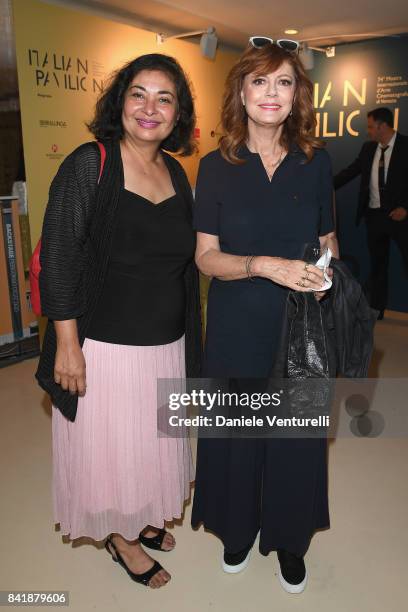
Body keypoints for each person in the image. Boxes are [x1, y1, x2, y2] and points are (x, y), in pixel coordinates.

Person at [35, 53, 202, 589]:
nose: (149, 108)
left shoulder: (175, 170)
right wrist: (66, 344)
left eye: (165, 98)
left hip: (166, 341)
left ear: (178, 115)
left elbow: (184, 259)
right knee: (115, 447)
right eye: (138, 94)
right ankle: (121, 538)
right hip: (105, 346)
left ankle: (140, 515)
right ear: (120, 101)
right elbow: (60, 254)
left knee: (151, 443)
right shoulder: (92, 162)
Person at [191, 38, 339, 594]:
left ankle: (290, 539)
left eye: (284, 82)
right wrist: (264, 266)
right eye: (260, 81)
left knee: (295, 437)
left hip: (301, 327)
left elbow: (328, 241)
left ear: (297, 93)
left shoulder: (315, 161)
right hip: (235, 322)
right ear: (242, 93)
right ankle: (236, 529)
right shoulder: (215, 166)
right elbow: (206, 256)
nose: (272, 93)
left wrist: (325, 277)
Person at [334, 107, 408, 319]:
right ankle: (378, 310)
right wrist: (324, 186)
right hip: (374, 218)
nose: (368, 131)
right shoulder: (368, 149)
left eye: (370, 126)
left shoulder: (406, 146)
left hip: (400, 218)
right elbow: (350, 172)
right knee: (378, 267)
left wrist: (406, 208)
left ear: (382, 126)